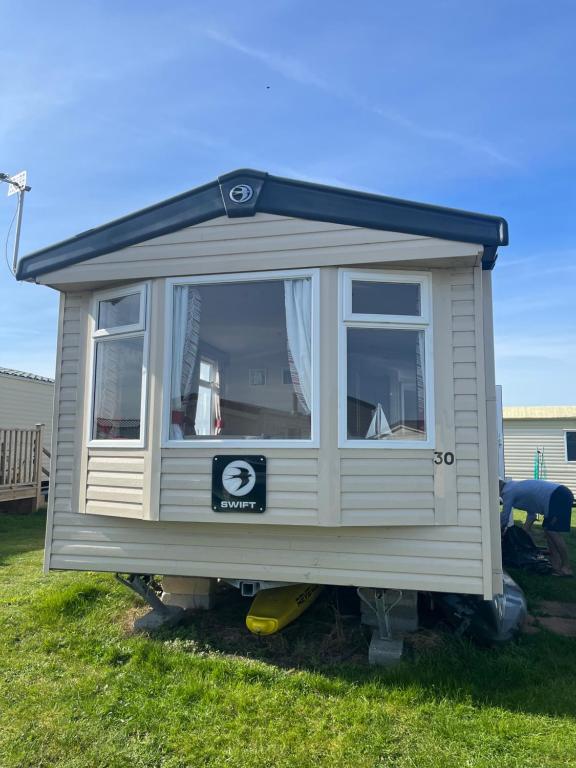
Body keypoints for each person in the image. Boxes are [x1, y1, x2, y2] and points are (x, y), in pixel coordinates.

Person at [499, 479, 574, 576]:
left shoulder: (508, 492)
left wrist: (500, 531)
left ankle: (566, 567)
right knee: (548, 531)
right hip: (557, 495)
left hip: (558, 496)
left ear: (498, 489)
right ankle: (556, 565)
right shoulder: (515, 488)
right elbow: (532, 515)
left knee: (553, 532)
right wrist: (522, 535)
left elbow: (505, 517)